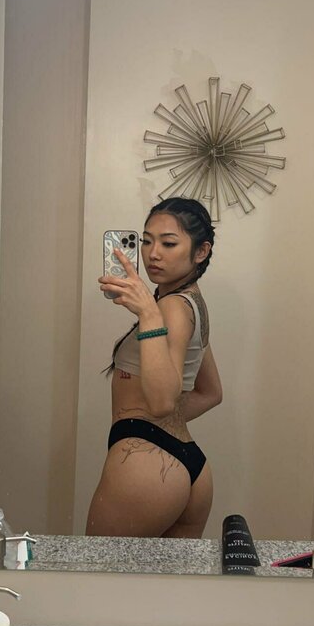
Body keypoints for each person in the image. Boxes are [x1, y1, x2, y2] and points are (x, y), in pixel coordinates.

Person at [86, 197, 222, 538]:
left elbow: (161, 403)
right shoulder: (191, 303)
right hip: (190, 465)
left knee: (97, 570)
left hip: (146, 468)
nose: (153, 254)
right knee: (168, 577)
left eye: (169, 243)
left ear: (201, 251)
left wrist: (147, 312)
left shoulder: (170, 308)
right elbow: (210, 393)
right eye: (146, 241)